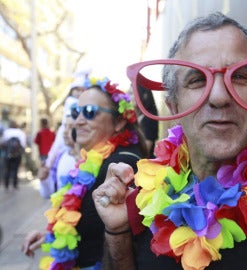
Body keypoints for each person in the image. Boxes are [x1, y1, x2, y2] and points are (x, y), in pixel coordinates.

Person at [92, 12, 247, 270]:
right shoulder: (143, 198)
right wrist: (117, 232)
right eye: (197, 80)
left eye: (240, 77)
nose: (220, 96)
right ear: (173, 104)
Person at [21, 77, 148, 269]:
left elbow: (123, 241)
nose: (78, 121)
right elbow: (90, 225)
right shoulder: (95, 158)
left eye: (89, 112)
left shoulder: (121, 165)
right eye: (76, 112)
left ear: (120, 122)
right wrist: (50, 236)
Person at [38, 114, 81, 198]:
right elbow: (49, 194)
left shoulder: (88, 159)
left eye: (71, 127)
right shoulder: (60, 156)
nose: (65, 132)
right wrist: (44, 180)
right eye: (65, 126)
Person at [130, 84, 159, 157]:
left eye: (131, 93)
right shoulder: (136, 116)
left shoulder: (148, 119)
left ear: (144, 95)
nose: (128, 96)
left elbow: (146, 149)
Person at [0, 120, 26, 190]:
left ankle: (6, 184)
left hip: (8, 154)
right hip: (17, 154)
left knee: (7, 169)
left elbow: (2, 142)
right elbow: (23, 144)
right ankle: (14, 184)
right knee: (15, 169)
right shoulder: (20, 132)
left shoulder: (6, 132)